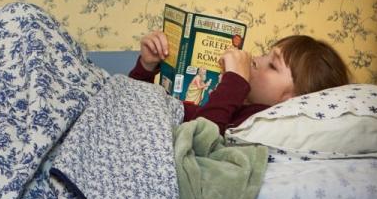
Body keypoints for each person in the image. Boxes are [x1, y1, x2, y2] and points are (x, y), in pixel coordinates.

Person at [128, 30, 349, 132]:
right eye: (265, 54)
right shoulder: (235, 108)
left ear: (292, 101)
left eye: (272, 65)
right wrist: (147, 67)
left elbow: (198, 139)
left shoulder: (257, 125)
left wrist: (235, 81)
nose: (256, 59)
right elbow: (139, 110)